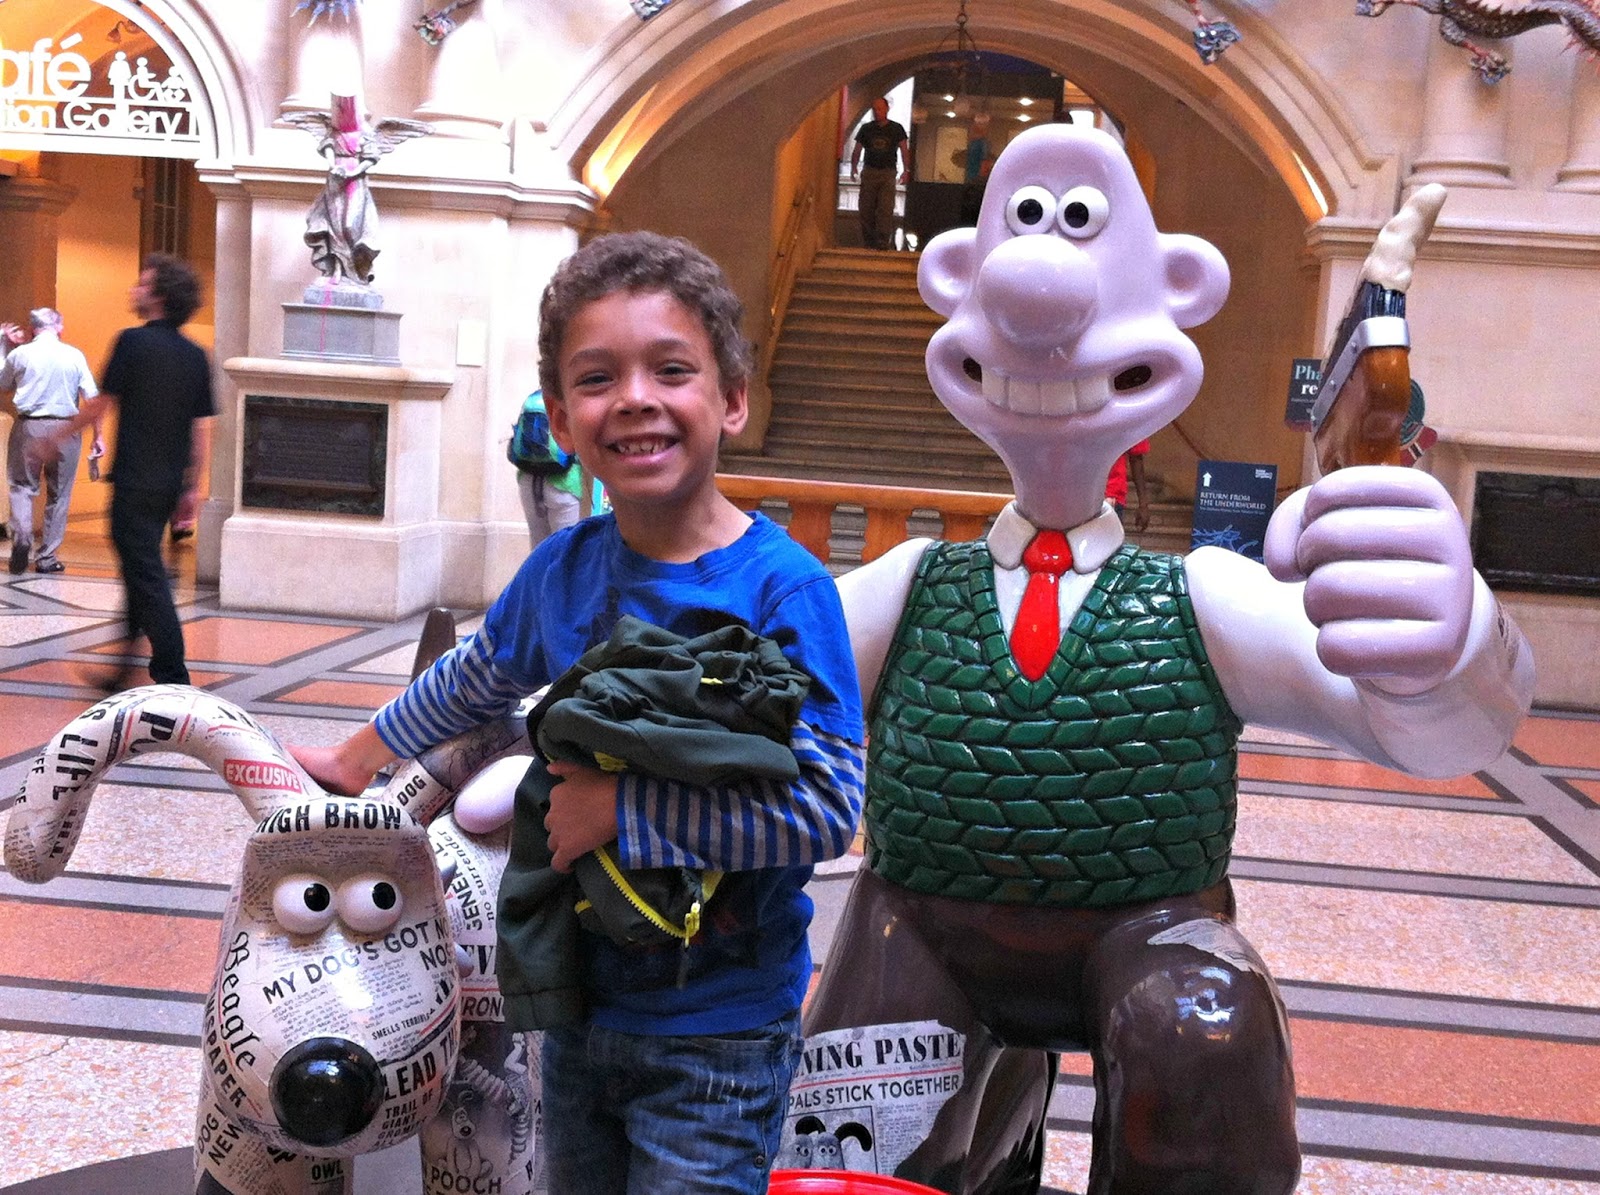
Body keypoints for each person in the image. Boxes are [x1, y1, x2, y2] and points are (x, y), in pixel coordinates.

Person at [291, 231, 866, 1194]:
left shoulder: (783, 589)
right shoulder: (562, 570)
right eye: (598, 378)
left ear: (731, 398)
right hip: (575, 1010)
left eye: (671, 369)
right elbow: (476, 676)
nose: (635, 396)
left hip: (717, 1032)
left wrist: (623, 817)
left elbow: (825, 808)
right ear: (561, 417)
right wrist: (358, 755)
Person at [40, 256, 215, 687]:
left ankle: (172, 670)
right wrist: (191, 487)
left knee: (144, 572)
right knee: (141, 567)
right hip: (169, 482)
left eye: (142, 285)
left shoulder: (131, 343)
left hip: (136, 479)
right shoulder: (196, 355)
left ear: (158, 296)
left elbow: (101, 404)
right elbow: (201, 427)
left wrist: (54, 437)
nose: (134, 291)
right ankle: (122, 669)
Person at [1, 309, 102, 575]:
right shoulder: (74, 355)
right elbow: (92, 398)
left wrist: (3, 344)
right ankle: (47, 557)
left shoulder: (19, 354)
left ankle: (22, 536)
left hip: (29, 426)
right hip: (66, 429)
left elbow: (2, 384)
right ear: (59, 327)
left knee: (22, 486)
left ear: (33, 329)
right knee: (59, 493)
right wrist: (98, 437)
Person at [507, 388, 585, 549]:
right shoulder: (572, 399)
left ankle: (540, 575)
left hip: (528, 481)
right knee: (566, 550)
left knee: (538, 548)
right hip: (565, 483)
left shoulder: (533, 398)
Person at [850, 97, 910, 250]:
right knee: (866, 208)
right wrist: (854, 166)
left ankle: (883, 241)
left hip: (888, 173)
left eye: (880, 109)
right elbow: (857, 149)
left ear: (887, 109)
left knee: (885, 207)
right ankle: (869, 241)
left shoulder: (896, 129)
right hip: (869, 171)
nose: (877, 112)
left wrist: (906, 170)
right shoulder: (866, 129)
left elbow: (904, 149)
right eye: (874, 109)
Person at [1105, 436, 1150, 532]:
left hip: (1112, 495)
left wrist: (1143, 504)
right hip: (1083, 497)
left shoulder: (1129, 420)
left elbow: (1136, 457)